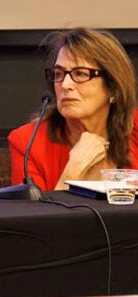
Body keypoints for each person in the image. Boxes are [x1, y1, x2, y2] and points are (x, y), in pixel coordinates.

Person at [9, 27, 138, 191]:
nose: (65, 85)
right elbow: (34, 209)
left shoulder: (135, 128)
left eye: (81, 74)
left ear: (113, 88)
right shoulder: (28, 143)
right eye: (58, 74)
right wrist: (74, 169)